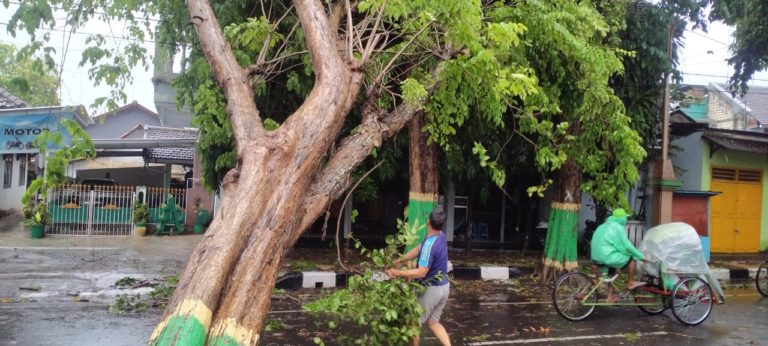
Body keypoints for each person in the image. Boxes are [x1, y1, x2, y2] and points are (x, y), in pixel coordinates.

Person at [386, 209, 451, 346]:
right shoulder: (440, 236)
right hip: (444, 287)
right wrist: (400, 261)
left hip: (431, 289)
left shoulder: (429, 245)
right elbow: (418, 249)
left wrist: (397, 272)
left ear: (428, 221)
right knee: (433, 323)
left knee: (414, 323)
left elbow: (421, 272)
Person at [590, 208, 646, 302]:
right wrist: (641, 256)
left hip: (596, 256)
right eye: (625, 218)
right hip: (606, 256)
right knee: (632, 258)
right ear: (621, 218)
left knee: (611, 271)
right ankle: (630, 282)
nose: (626, 220)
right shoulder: (617, 227)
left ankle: (610, 296)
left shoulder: (603, 226)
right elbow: (626, 246)